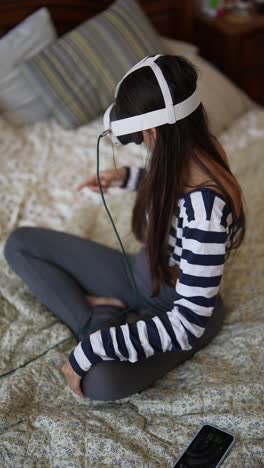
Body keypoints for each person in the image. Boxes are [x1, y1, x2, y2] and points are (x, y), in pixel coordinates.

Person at [4, 55, 245, 401]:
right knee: (19, 244)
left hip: (178, 309)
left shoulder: (206, 210)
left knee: (99, 381)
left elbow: (187, 322)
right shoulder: (191, 148)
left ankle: (99, 318)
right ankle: (104, 314)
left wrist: (92, 349)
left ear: (153, 133)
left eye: (142, 140)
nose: (143, 148)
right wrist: (129, 177)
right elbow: (171, 183)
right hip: (142, 270)